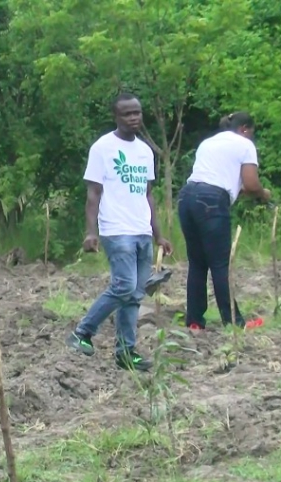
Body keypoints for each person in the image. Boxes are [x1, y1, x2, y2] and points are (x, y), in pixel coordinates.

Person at [65, 93, 173, 371]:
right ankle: (83, 332)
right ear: (116, 116)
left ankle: (126, 352)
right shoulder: (103, 148)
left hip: (141, 231)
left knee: (135, 295)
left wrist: (157, 233)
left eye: (137, 113)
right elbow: (93, 193)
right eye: (127, 114)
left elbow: (148, 195)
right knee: (124, 286)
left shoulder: (145, 151)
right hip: (116, 229)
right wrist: (91, 232)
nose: (134, 118)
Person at [178, 112, 270, 332]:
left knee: (198, 263)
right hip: (211, 200)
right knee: (220, 264)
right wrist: (264, 194)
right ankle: (234, 322)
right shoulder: (244, 144)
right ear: (245, 129)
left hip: (187, 197)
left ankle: (195, 321)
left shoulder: (208, 143)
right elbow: (251, 184)